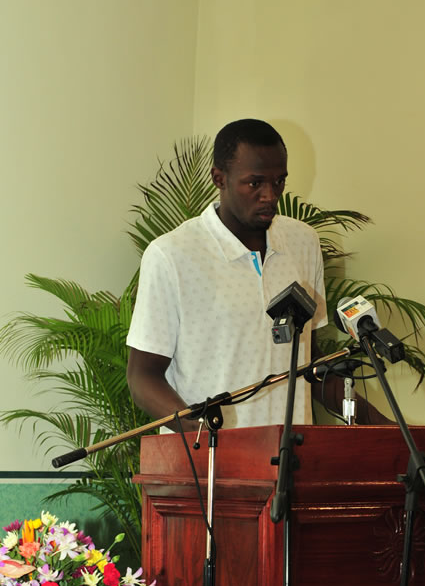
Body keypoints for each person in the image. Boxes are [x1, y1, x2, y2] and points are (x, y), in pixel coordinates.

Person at [127, 118, 388, 430]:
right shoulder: (172, 255)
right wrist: (204, 437)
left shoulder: (303, 243)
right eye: (255, 183)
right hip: (209, 457)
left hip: (290, 452)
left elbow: (309, 362)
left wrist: (390, 429)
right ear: (219, 178)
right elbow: (142, 377)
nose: (270, 195)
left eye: (279, 181)